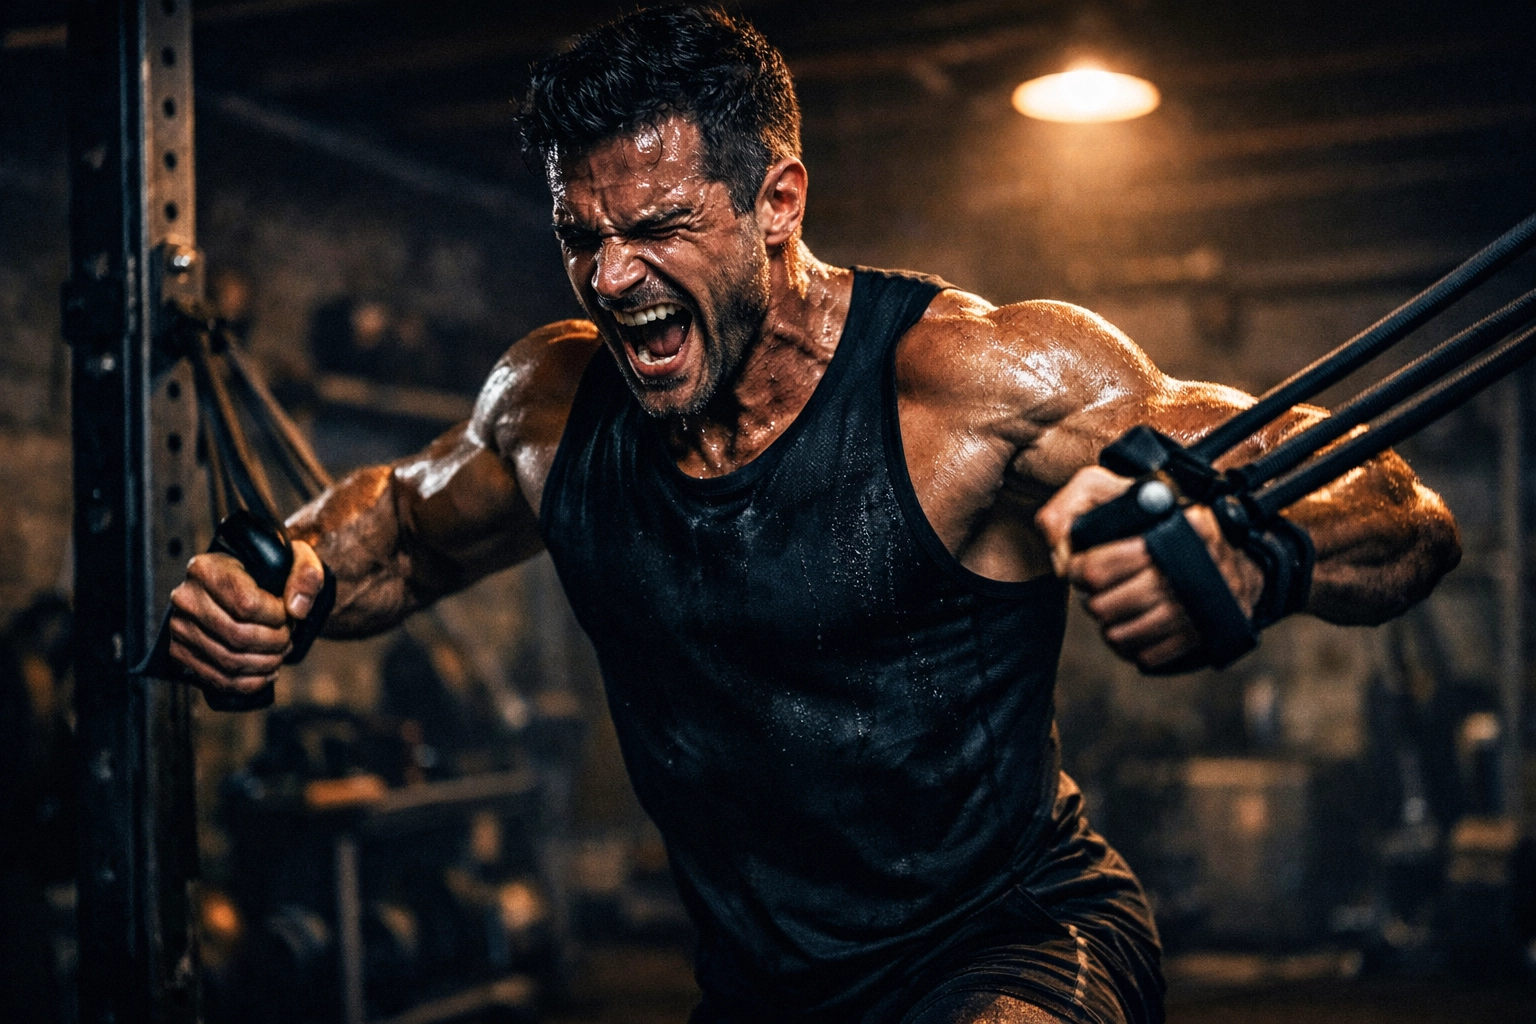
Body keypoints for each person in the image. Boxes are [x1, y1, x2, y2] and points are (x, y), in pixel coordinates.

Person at [165, 7, 1461, 1023]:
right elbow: (395, 526)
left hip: (1014, 943)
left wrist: (1261, 548)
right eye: (582, 234)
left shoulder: (971, 381)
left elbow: (1399, 506)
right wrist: (284, 585)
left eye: (659, 226)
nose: (614, 278)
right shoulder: (554, 408)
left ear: (778, 202)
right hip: (764, 991)